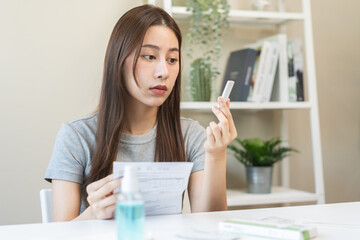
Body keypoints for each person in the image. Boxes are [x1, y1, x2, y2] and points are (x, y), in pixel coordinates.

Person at [45, 4, 237, 221]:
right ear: (119, 60)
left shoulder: (191, 135)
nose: (163, 72)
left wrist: (216, 154)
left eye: (172, 60)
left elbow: (211, 224)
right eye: (149, 56)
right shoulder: (76, 137)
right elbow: (58, 233)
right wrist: (92, 214)